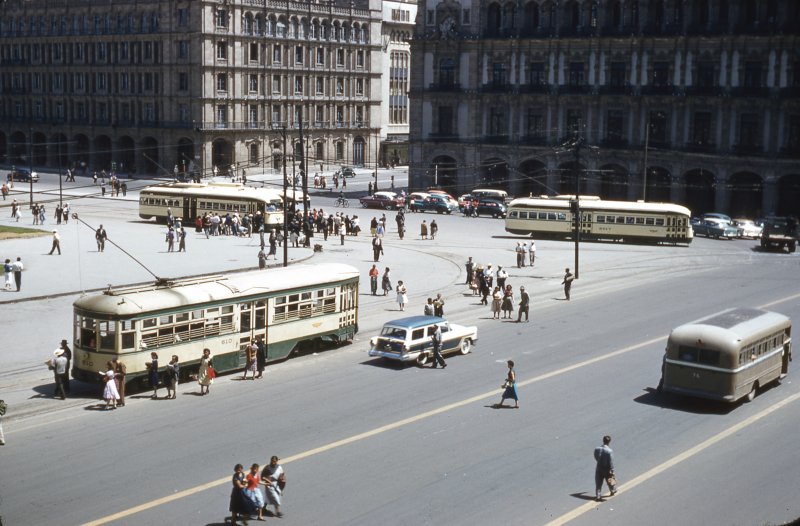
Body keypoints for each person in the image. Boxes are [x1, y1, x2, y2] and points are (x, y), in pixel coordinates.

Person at [594, 435, 617, 501]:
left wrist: (599, 462)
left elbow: (595, 456)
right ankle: (612, 490)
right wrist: (612, 470)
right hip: (607, 469)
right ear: (609, 442)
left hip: (599, 467)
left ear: (603, 440)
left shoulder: (597, 449)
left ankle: (598, 496)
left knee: (598, 483)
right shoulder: (609, 451)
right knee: (610, 480)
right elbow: (610, 462)